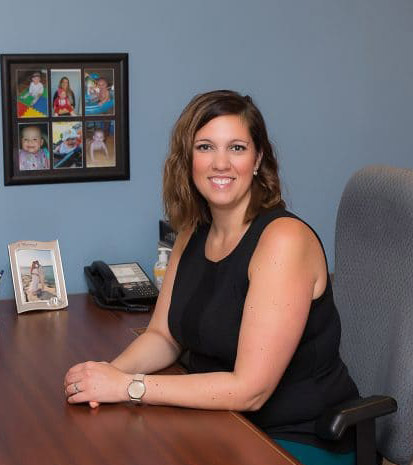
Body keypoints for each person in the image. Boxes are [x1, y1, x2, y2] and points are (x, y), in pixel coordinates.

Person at [63, 90, 359, 465]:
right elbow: (163, 336)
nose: (221, 163)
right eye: (205, 147)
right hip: (223, 423)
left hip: (296, 440)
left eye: (236, 148)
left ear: (258, 159)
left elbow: (249, 391)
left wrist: (128, 387)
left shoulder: (284, 241)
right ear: (188, 160)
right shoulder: (192, 232)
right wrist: (106, 375)